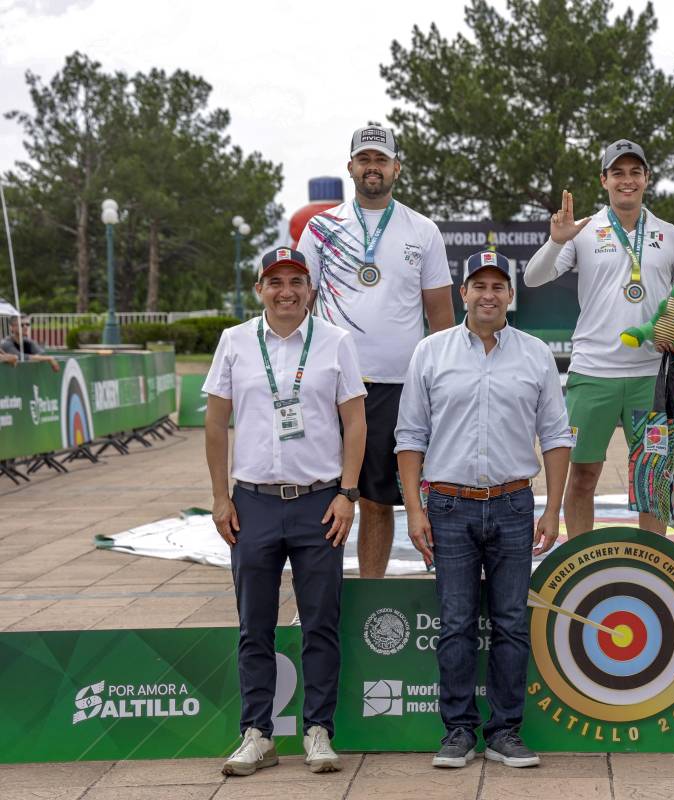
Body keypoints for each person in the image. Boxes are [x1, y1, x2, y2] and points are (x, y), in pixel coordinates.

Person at [396, 250, 572, 770]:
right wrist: (414, 509)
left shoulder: (536, 354)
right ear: (463, 293)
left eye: (498, 286)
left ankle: (506, 731)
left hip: (515, 504)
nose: (488, 294)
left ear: (511, 296)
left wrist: (552, 509)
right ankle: (457, 731)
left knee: (513, 623)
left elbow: (557, 437)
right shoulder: (430, 352)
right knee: (455, 623)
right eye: (479, 285)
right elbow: (410, 437)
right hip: (448, 506)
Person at [203, 247, 367, 777]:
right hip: (252, 503)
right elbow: (214, 423)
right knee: (255, 625)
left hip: (319, 502)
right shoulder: (234, 342)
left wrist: (348, 492)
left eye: (297, 280)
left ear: (310, 289)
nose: (287, 291)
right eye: (276, 281)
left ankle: (318, 731)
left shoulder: (336, 342)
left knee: (320, 623)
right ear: (259, 289)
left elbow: (356, 423)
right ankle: (257, 734)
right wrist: (220, 497)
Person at [296, 125, 454, 578]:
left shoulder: (422, 230)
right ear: (350, 167)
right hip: (330, 384)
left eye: (381, 160)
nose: (372, 167)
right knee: (322, 495)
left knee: (377, 500)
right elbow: (296, 300)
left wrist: (443, 381)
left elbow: (440, 316)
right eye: (364, 159)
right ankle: (320, 591)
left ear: (396, 168)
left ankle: (369, 593)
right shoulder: (322, 228)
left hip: (395, 385)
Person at [523, 139, 674, 536]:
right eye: (617, 173)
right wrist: (557, 239)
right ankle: (583, 565)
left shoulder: (672, 236)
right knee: (583, 476)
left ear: (646, 178)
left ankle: (652, 568)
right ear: (603, 180)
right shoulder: (584, 232)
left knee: (651, 482)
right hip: (593, 374)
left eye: (634, 172)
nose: (627, 180)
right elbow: (533, 278)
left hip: (650, 378)